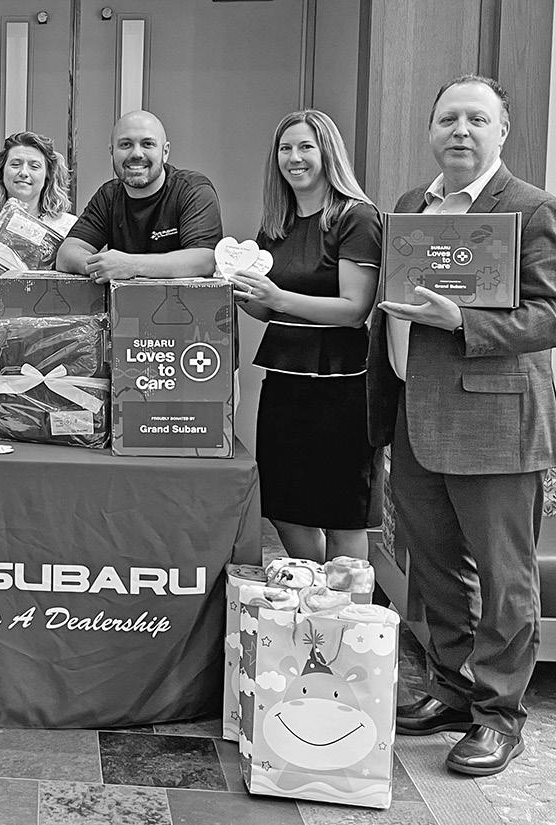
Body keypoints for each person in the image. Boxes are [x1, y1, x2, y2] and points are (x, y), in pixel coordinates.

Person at [370, 75, 556, 776]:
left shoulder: (531, 207)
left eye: (477, 119)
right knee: (436, 567)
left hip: (495, 419)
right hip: (415, 412)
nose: (461, 130)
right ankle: (452, 690)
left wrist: (462, 321)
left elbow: (550, 313)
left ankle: (499, 716)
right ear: (430, 130)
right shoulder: (410, 206)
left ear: (502, 131)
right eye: (448, 118)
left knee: (506, 579)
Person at [229, 110, 381, 563]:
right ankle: (314, 592)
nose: (294, 158)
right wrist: (240, 294)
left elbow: (354, 311)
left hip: (343, 384)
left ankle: (345, 604)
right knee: (285, 508)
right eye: (285, 149)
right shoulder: (276, 224)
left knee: (342, 515)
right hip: (284, 379)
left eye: (305, 147)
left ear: (327, 153)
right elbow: (267, 309)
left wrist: (277, 296)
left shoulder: (356, 218)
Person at [56, 110, 222, 282]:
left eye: (147, 144)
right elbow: (66, 254)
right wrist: (101, 267)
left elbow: (205, 260)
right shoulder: (108, 196)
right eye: (125, 144)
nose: (136, 154)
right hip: (125, 299)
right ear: (112, 151)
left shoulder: (191, 190)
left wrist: (130, 265)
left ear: (165, 152)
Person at [0, 131, 77, 259]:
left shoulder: (69, 228)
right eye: (15, 164)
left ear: (48, 175)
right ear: (1, 171)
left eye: (34, 166)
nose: (24, 172)